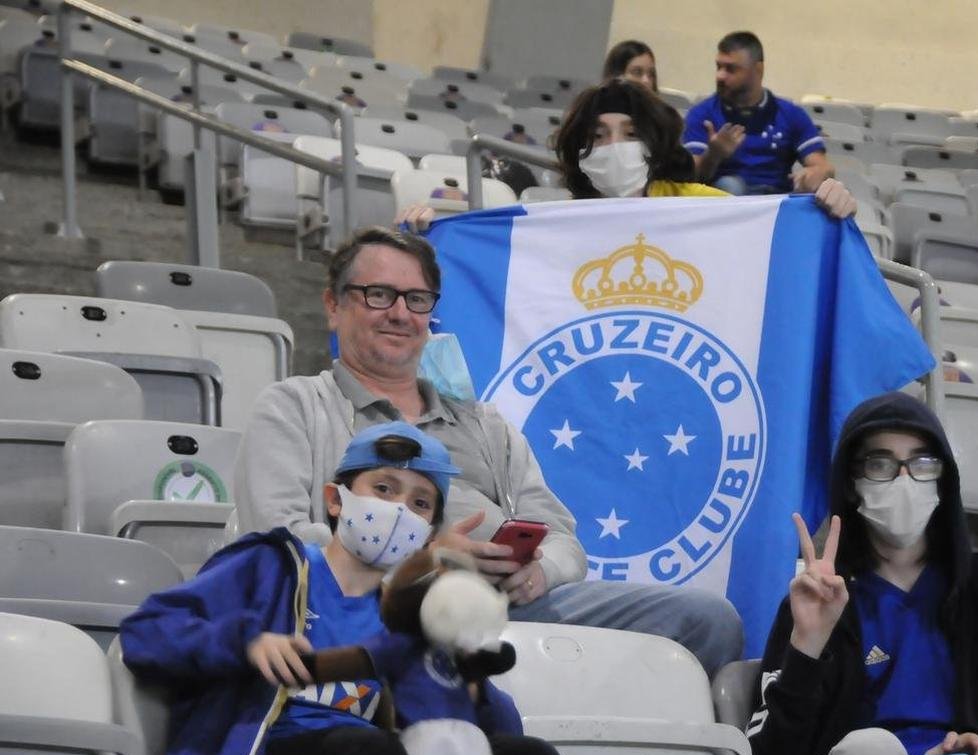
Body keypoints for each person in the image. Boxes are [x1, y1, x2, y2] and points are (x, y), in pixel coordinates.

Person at [233, 226, 746, 677]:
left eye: (416, 299)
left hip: (513, 607)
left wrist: (538, 571)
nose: (399, 313)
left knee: (708, 620)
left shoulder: (485, 422)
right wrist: (425, 565)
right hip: (385, 609)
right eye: (378, 294)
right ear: (333, 305)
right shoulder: (294, 406)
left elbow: (563, 536)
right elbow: (280, 542)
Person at [123, 420, 571, 755]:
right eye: (383, 488)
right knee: (371, 754)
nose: (399, 509)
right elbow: (147, 632)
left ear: (429, 531)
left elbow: (498, 729)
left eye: (419, 503)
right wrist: (246, 641)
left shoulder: (406, 617)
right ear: (336, 500)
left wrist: (463, 662)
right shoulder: (270, 564)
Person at [748, 392, 978, 755]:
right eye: (880, 463)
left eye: (923, 463)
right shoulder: (816, 599)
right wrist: (807, 649)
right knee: (870, 751)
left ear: (943, 478)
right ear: (853, 484)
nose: (905, 480)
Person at [397, 79, 856, 223]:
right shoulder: (553, 226)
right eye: (597, 137)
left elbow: (777, 237)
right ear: (578, 153)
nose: (614, 148)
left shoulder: (708, 209)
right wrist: (425, 241)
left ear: (655, 146)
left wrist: (827, 212)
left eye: (630, 133)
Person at [684, 31, 834, 196]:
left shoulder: (790, 114)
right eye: (718, 67)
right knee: (730, 185)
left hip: (775, 203)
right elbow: (689, 177)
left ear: (758, 70)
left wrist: (815, 174)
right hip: (723, 206)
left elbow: (824, 167)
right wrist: (713, 156)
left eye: (730, 69)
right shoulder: (702, 114)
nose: (720, 76)